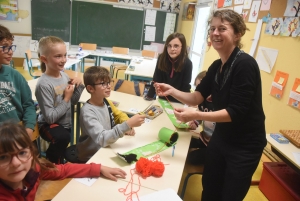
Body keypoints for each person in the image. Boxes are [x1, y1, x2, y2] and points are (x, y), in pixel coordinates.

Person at [154, 9, 266, 201]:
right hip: (222, 138)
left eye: (222, 28)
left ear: (237, 34)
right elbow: (197, 97)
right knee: (210, 189)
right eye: (212, 28)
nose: (215, 33)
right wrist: (171, 90)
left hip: (245, 145)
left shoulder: (245, 65)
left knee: (230, 195)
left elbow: (234, 113)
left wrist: (195, 115)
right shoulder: (217, 65)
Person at [0, 121, 126, 200]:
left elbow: (61, 170)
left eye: (22, 153)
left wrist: (98, 168)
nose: (16, 163)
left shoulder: (33, 170)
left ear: (32, 153)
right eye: (3, 157)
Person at [76, 66, 146, 163]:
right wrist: (127, 124)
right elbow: (102, 138)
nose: (109, 86)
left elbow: (118, 116)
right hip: (91, 156)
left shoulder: (105, 102)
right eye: (103, 84)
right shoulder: (88, 112)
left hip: (105, 148)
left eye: (109, 82)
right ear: (90, 88)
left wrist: (126, 126)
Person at [35, 36, 85, 164]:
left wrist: (79, 86)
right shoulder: (44, 84)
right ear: (44, 59)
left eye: (65, 55)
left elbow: (71, 103)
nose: (63, 60)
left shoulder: (64, 75)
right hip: (48, 125)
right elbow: (50, 118)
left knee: (64, 138)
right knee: (62, 137)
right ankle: (51, 163)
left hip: (64, 124)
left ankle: (58, 160)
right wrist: (67, 97)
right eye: (58, 56)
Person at [0, 25, 36, 140]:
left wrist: (29, 128)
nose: (10, 52)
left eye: (11, 47)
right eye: (5, 47)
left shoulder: (14, 75)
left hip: (18, 132)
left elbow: (28, 105)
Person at [144, 32, 192, 103]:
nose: (172, 49)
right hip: (163, 99)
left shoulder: (187, 63)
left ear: (182, 47)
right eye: (169, 46)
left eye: (176, 46)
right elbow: (156, 80)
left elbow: (186, 87)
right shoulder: (161, 58)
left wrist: (186, 103)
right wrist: (149, 96)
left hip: (178, 101)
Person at [187, 71, 215, 165]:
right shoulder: (202, 100)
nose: (199, 91)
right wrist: (195, 122)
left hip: (213, 146)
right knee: (184, 142)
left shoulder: (218, 103)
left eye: (201, 88)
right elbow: (199, 112)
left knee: (191, 158)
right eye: (197, 87)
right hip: (203, 138)